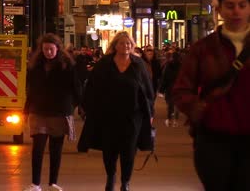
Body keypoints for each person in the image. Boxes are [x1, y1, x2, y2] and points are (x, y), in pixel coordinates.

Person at [172, 0, 250, 190]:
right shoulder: (204, 48)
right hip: (215, 139)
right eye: (230, 6)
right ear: (220, 10)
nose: (236, 11)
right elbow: (181, 90)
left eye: (242, 5)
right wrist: (200, 110)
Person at [79, 31, 154, 191]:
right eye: (121, 43)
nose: (125, 46)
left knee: (129, 150)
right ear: (115, 45)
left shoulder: (138, 64)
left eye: (128, 43)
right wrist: (87, 107)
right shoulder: (105, 63)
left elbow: (147, 89)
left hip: (133, 117)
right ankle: (110, 177)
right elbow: (92, 86)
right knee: (110, 149)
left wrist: (150, 113)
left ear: (132, 45)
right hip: (108, 116)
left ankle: (125, 182)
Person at [23, 33, 82, 191]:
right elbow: (30, 89)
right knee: (38, 148)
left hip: (59, 112)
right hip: (39, 111)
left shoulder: (67, 66)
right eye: (45, 49)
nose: (48, 52)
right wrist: (26, 109)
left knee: (56, 149)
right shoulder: (35, 66)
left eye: (51, 49)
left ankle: (52, 183)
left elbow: (76, 88)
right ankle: (35, 184)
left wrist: (74, 106)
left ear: (58, 49)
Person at [159, 51, 182, 127]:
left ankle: (169, 119)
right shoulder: (182, 66)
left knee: (170, 104)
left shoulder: (168, 66)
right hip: (179, 88)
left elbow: (164, 78)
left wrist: (161, 90)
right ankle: (175, 120)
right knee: (177, 104)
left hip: (170, 88)